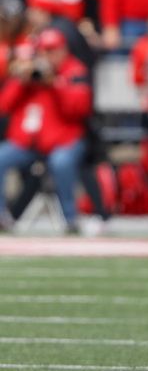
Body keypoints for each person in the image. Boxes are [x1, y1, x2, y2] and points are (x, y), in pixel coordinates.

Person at [0, 28, 91, 232]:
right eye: (44, 51)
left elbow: (79, 109)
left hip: (64, 140)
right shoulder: (29, 70)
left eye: (52, 51)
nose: (48, 56)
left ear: (63, 50)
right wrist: (20, 82)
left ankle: (70, 218)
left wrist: (55, 84)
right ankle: (1, 217)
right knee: (1, 157)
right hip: (29, 142)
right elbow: (4, 105)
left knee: (61, 162)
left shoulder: (74, 70)